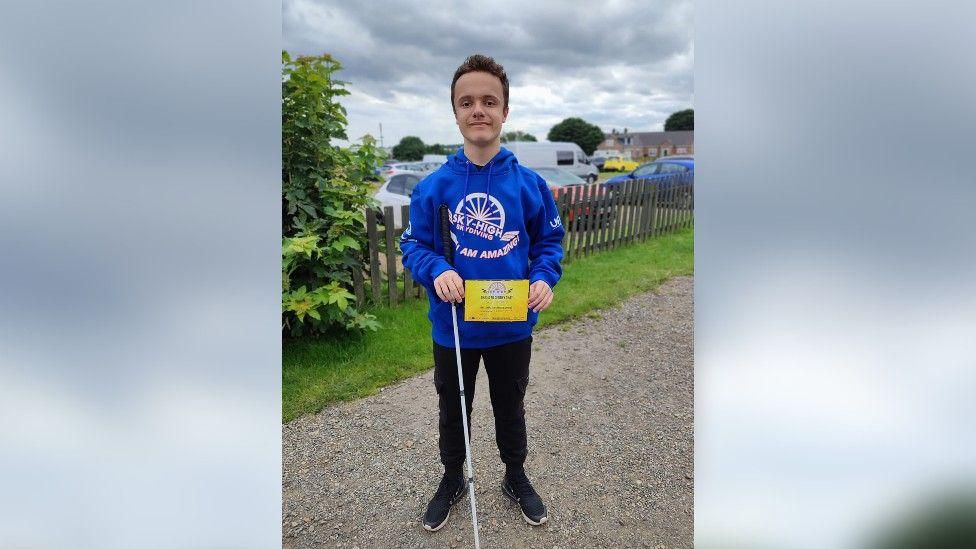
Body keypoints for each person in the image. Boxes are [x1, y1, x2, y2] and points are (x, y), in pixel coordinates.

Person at [400, 53, 565, 532]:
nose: (479, 110)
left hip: (512, 325)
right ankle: (453, 477)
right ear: (455, 112)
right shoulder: (435, 188)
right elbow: (414, 245)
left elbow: (549, 243)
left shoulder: (531, 185)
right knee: (454, 407)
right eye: (467, 102)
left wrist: (543, 278)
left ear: (505, 111)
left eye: (489, 101)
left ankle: (515, 474)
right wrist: (435, 270)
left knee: (510, 405)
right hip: (455, 329)